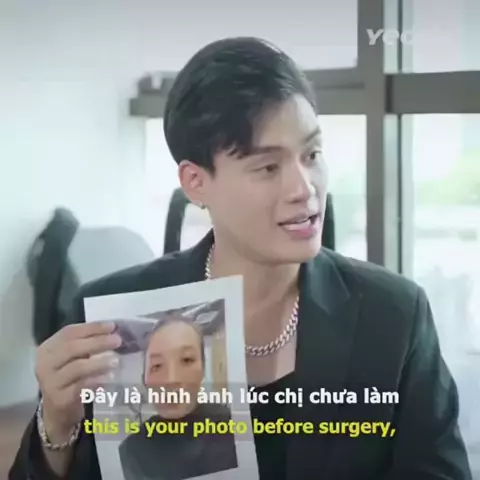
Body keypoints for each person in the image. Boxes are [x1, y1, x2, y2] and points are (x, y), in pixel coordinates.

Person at [10, 37, 472, 480]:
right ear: (196, 183)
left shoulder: (393, 315)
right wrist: (57, 425)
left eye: (312, 154)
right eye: (268, 167)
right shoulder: (112, 320)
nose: (304, 188)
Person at [118, 314, 238, 480]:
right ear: (144, 380)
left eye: (187, 360)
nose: (171, 379)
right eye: (157, 366)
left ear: (203, 370)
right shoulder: (130, 452)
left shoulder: (236, 426)